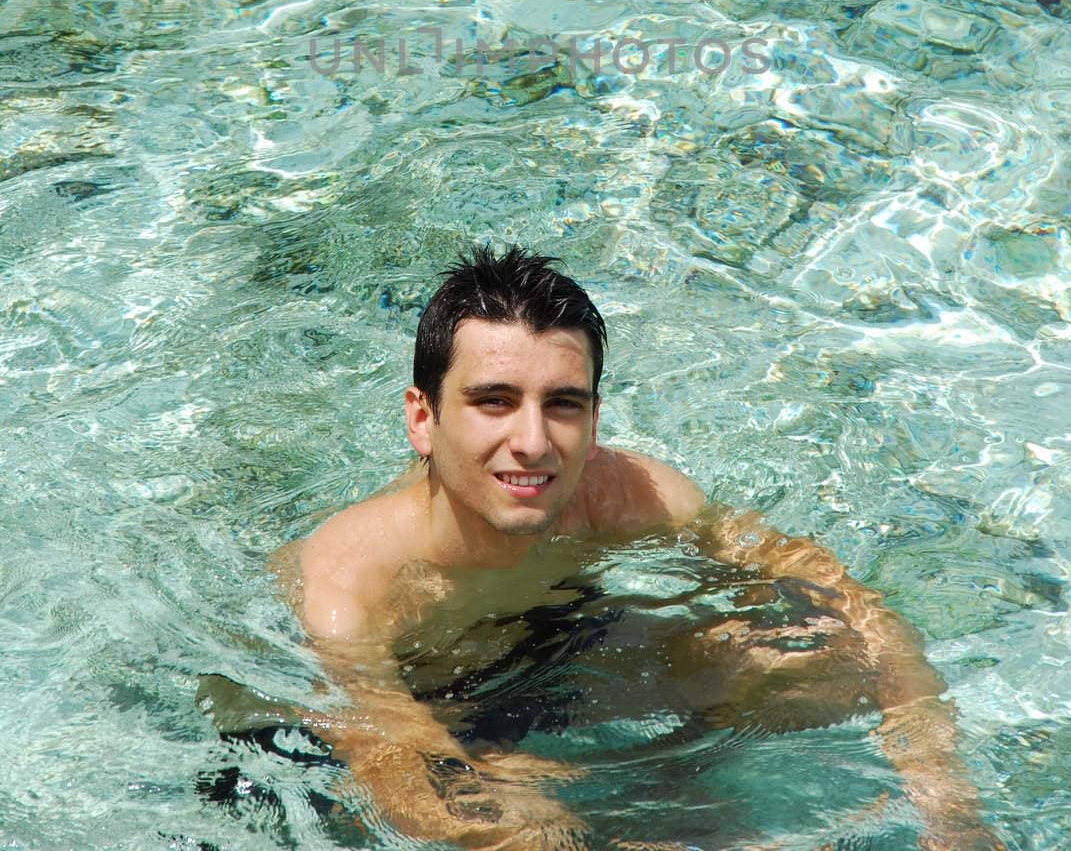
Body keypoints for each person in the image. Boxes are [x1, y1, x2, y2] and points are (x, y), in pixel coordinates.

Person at [267, 244, 1003, 851]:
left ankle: (679, 791)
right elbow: (397, 769)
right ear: (422, 419)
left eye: (562, 404)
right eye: (494, 400)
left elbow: (846, 603)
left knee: (810, 662)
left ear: (592, 419)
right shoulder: (349, 582)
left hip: (558, 643)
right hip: (426, 707)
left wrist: (945, 802)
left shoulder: (625, 495)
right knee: (530, 821)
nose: (531, 442)